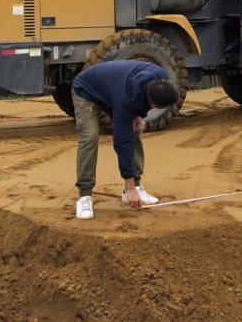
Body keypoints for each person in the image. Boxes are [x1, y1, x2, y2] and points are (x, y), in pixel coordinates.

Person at [71, 59, 180, 220]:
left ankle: (136, 184)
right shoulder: (125, 99)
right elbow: (122, 142)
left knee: (135, 130)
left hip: (112, 89)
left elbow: (139, 99)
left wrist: (139, 115)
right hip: (86, 90)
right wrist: (130, 188)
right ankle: (85, 196)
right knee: (90, 136)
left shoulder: (160, 76)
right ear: (153, 102)